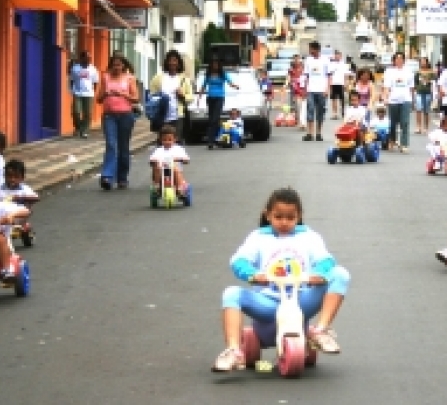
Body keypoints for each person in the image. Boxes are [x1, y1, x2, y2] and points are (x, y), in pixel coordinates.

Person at [212, 187, 351, 372]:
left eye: (290, 217)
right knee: (231, 294)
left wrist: (318, 274)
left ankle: (321, 331)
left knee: (340, 274)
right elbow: (239, 260)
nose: (284, 222)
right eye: (278, 217)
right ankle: (234, 350)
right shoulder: (259, 237)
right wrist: (253, 275)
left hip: (300, 301)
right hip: (269, 303)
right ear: (268, 215)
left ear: (299, 216)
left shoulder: (308, 236)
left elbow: (326, 259)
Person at [96, 55, 140, 190]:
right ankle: (107, 177)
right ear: (111, 65)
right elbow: (98, 99)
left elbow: (136, 98)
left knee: (123, 147)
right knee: (111, 144)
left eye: (119, 65)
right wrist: (106, 94)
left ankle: (122, 177)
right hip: (109, 116)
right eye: (114, 65)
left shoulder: (130, 78)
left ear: (123, 66)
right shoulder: (105, 77)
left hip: (126, 116)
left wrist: (124, 94)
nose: (116, 67)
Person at [149, 50, 194, 145]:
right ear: (166, 62)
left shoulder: (184, 79)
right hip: (162, 117)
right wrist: (161, 99)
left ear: (179, 63)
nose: (172, 63)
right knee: (162, 144)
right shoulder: (158, 78)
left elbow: (190, 97)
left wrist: (183, 95)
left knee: (176, 144)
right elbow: (151, 96)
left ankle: (177, 159)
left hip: (178, 117)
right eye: (170, 60)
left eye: (175, 60)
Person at [198, 56, 239, 150]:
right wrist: (199, 97)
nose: (215, 65)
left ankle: (211, 140)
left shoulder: (223, 73)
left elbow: (230, 82)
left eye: (216, 63)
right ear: (211, 65)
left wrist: (235, 86)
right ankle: (212, 140)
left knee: (215, 119)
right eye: (213, 63)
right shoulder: (208, 74)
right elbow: (204, 85)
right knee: (211, 119)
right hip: (210, 98)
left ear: (219, 65)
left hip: (219, 98)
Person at [382, 52, 415, 153]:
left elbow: (411, 88)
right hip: (393, 100)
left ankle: (404, 144)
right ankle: (392, 140)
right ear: (394, 60)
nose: (399, 60)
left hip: (406, 100)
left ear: (404, 61)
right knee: (393, 123)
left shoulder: (409, 72)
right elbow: (387, 87)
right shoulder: (389, 72)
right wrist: (385, 98)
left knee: (405, 122)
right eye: (397, 59)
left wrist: (412, 100)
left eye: (401, 59)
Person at [302, 41, 332, 141]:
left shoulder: (325, 60)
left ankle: (318, 133)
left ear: (316, 49)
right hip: (311, 90)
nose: (309, 51)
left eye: (311, 49)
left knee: (320, 112)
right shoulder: (308, 60)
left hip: (322, 90)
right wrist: (305, 89)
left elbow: (329, 75)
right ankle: (309, 133)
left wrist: (327, 89)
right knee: (310, 111)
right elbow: (306, 75)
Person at [150, 125, 190, 195]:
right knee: (157, 168)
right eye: (164, 140)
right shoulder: (159, 150)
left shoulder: (179, 149)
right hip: (163, 171)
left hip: (175, 172)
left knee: (175, 169)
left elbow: (186, 159)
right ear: (161, 140)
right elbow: (152, 159)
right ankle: (156, 185)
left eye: (169, 140)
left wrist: (181, 159)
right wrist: (154, 161)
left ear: (175, 139)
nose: (167, 142)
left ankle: (179, 187)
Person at [69, 50, 99, 138]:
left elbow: (95, 82)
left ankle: (84, 130)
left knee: (88, 114)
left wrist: (93, 91)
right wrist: (72, 90)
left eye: (90, 58)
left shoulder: (93, 69)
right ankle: (78, 128)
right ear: (81, 58)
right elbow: (71, 80)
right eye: (87, 58)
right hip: (77, 93)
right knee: (76, 112)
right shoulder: (75, 68)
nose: (89, 59)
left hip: (89, 94)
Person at [414, 57, 436, 134]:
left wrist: (429, 81)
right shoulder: (417, 72)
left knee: (426, 111)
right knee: (418, 110)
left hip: (428, 93)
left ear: (427, 63)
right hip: (419, 93)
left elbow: (435, 82)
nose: (423, 63)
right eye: (421, 62)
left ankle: (426, 128)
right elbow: (415, 82)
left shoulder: (431, 72)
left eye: (424, 61)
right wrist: (415, 91)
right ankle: (418, 127)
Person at [329, 50, 351, 120]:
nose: (337, 56)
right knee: (334, 99)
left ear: (341, 56)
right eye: (336, 55)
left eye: (338, 55)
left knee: (343, 99)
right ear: (334, 56)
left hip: (341, 84)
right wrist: (329, 84)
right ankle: (335, 114)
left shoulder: (344, 65)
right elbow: (329, 75)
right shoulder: (331, 64)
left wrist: (346, 84)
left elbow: (346, 75)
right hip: (333, 83)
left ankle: (343, 112)